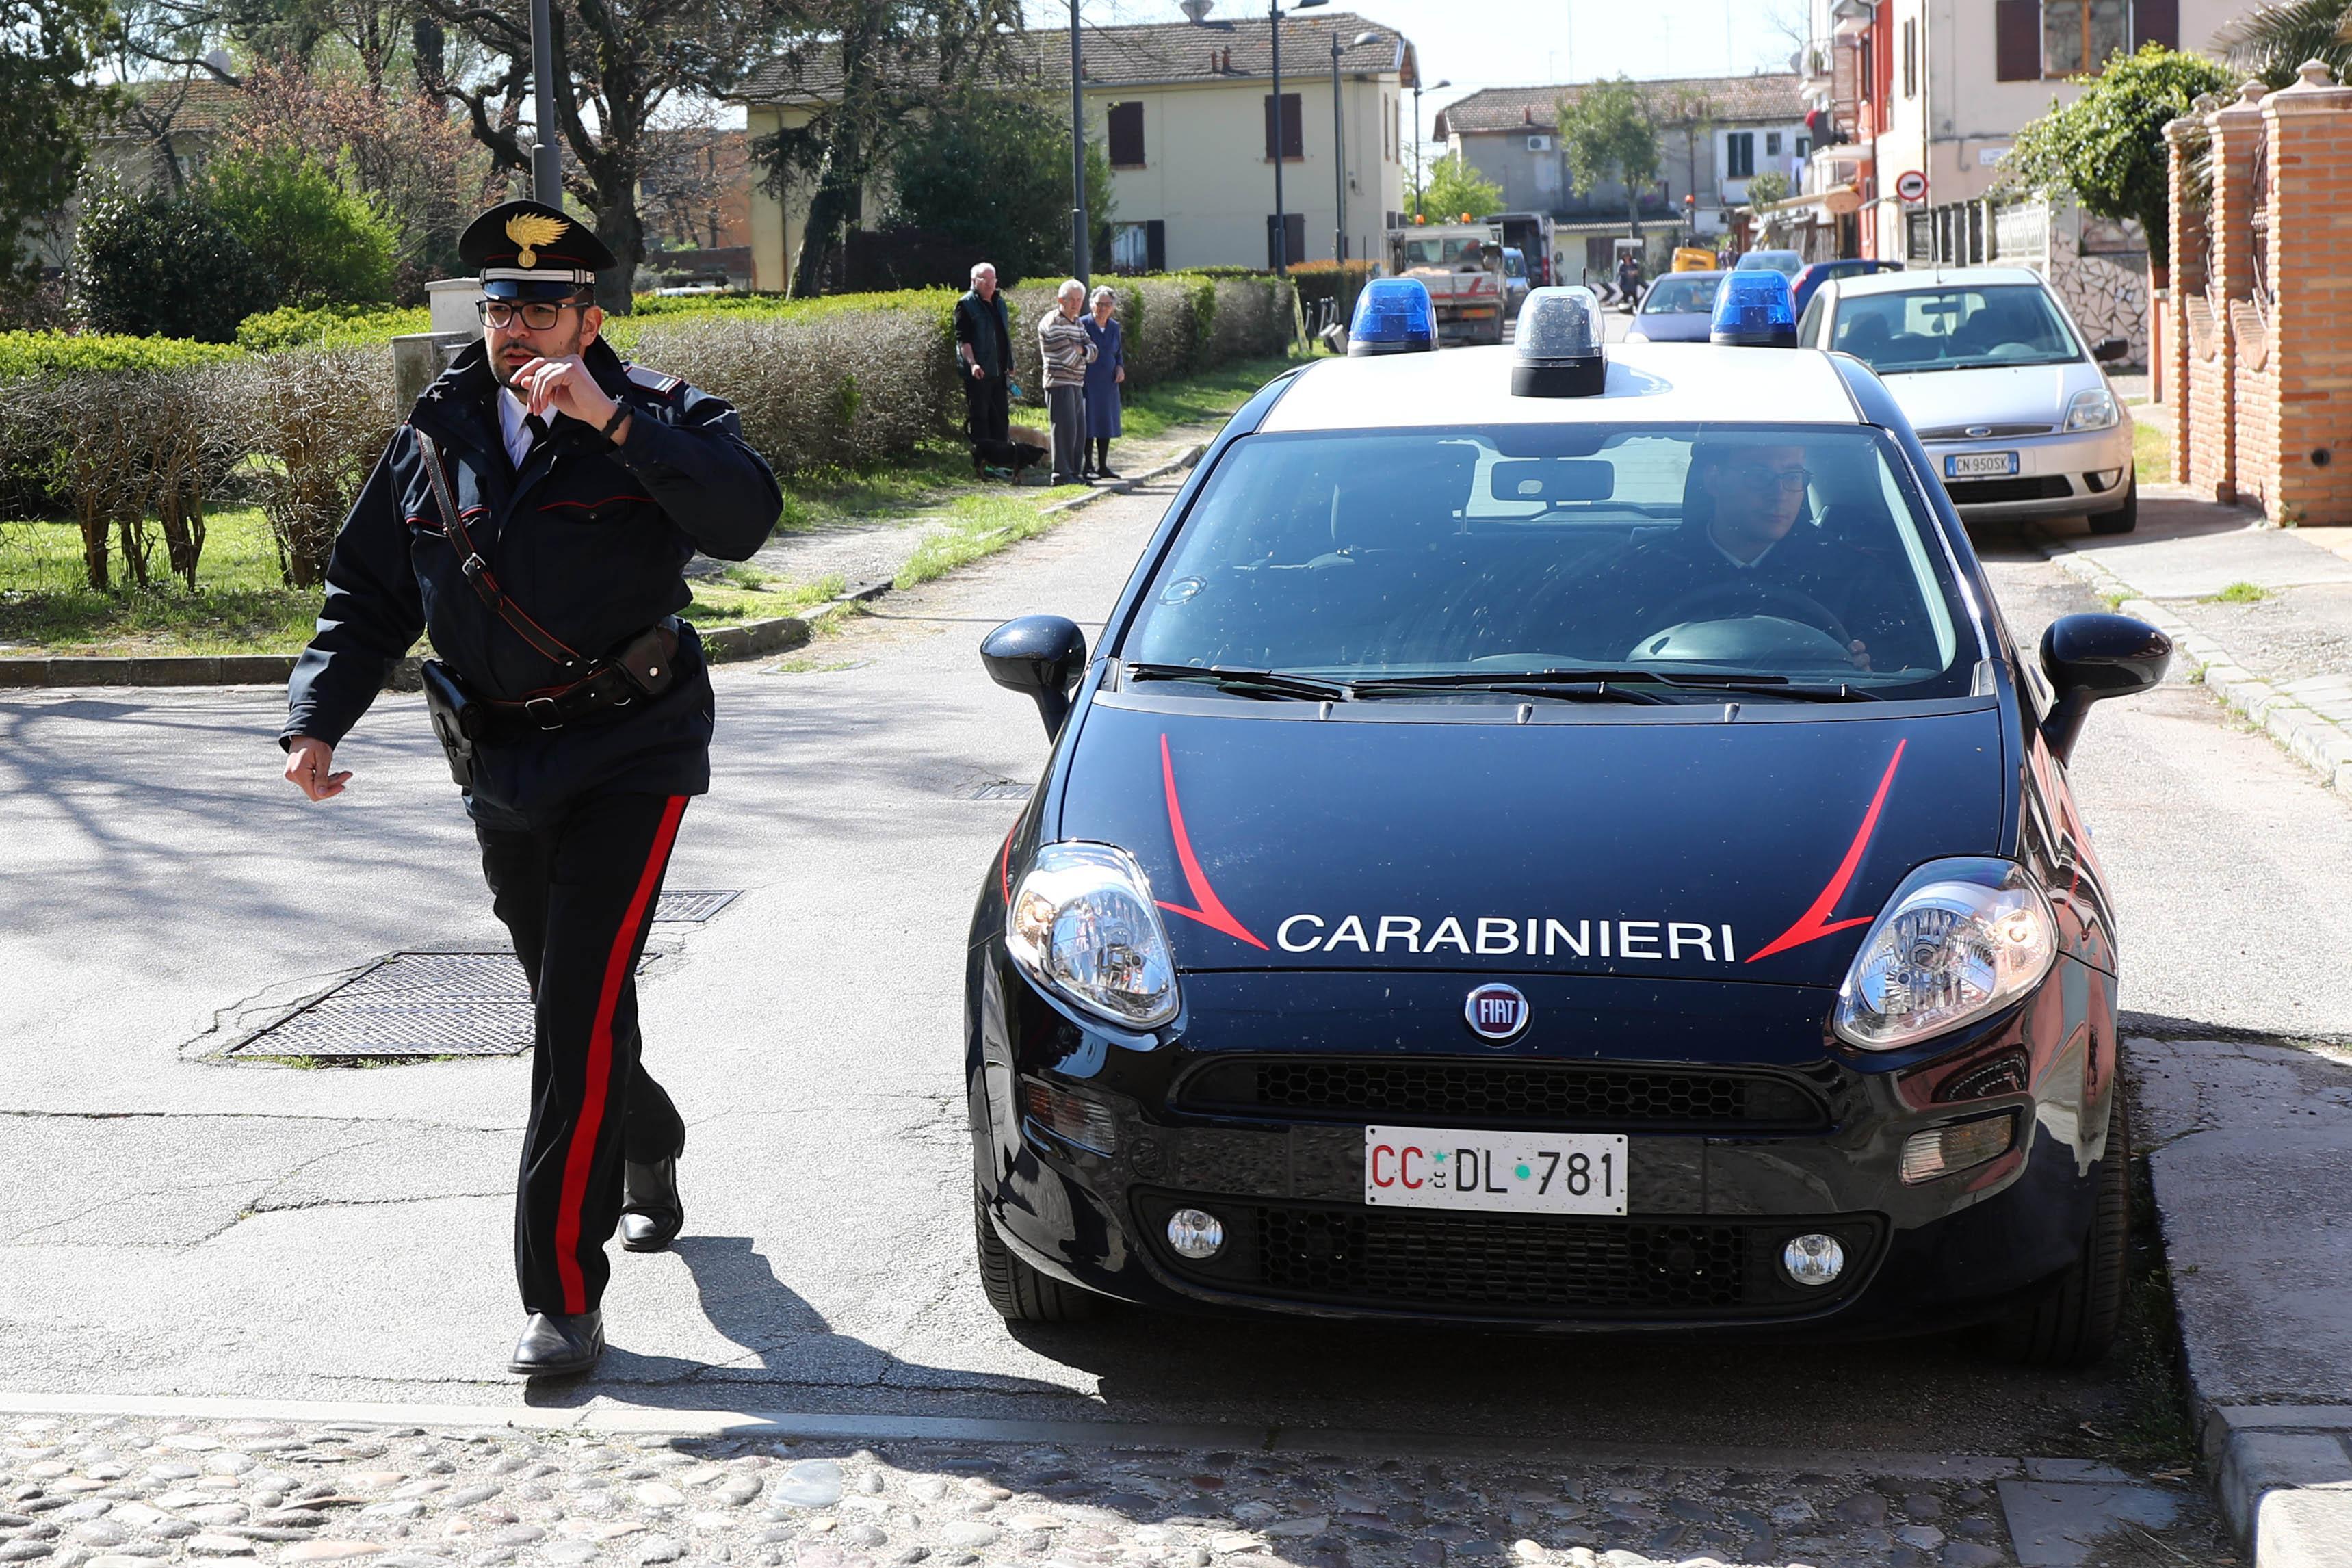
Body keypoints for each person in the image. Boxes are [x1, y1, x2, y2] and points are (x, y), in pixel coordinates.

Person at [277, 198, 783, 1380]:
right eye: (500, 307)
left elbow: (746, 517)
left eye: (542, 307)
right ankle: (645, 1133)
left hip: (631, 751)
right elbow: (367, 593)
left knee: (567, 1016)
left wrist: (612, 423)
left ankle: (561, 1295)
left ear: (590, 316)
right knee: (572, 997)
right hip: (500, 761)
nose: (516, 328)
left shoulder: (662, 414)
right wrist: (315, 715)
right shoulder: (435, 430)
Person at [1573, 440, 1915, 668]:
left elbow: (1908, 673)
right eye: (1759, 476)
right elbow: (1601, 666)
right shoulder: (1642, 572)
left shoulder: (1855, 574)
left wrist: (1868, 670)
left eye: (1792, 476)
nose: (1779, 494)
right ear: (1714, 481)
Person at [1037, 279, 1096, 487]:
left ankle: (1073, 472)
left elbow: (1093, 351)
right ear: (1060, 300)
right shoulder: (1052, 322)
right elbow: (1069, 360)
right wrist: (1083, 353)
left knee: (1079, 429)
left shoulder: (1077, 322)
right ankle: (1061, 474)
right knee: (1064, 428)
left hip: (1076, 383)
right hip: (1058, 382)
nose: (1076, 304)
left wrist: (1081, 350)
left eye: (1080, 300)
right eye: (1072, 300)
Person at [954, 261, 1013, 447]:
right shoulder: (966, 305)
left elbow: (1003, 336)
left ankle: (1002, 460)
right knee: (981, 418)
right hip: (979, 373)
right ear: (974, 281)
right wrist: (973, 364)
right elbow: (964, 340)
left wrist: (1010, 363)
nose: (989, 284)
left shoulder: (1000, 303)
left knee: (1001, 417)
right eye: (984, 279)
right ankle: (985, 463)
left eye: (992, 279)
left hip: (1000, 372)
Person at [1081, 285, 1125, 480]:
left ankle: (1103, 466)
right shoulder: (1083, 324)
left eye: (1107, 305)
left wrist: (1120, 367)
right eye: (1099, 304)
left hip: (1108, 382)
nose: (1102, 308)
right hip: (1088, 380)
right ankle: (1088, 466)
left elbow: (1118, 353)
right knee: (1089, 422)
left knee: (1106, 422)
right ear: (1092, 304)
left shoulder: (1114, 327)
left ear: (1113, 308)